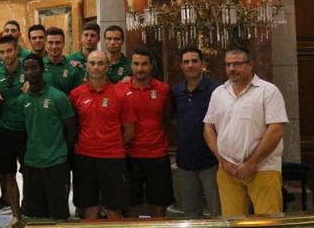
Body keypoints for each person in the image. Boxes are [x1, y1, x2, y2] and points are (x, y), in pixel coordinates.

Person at [204, 47, 288, 218]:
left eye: (237, 64)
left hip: (263, 168)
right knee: (233, 227)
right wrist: (222, 160)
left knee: (268, 225)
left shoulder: (268, 91)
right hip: (227, 170)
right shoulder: (218, 93)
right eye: (228, 65)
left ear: (250, 65)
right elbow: (208, 127)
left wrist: (251, 163)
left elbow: (276, 129)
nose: (231, 69)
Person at [69, 51, 135, 220]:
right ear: (87, 66)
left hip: (112, 158)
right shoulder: (76, 94)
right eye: (92, 63)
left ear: (107, 66)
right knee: (89, 208)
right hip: (84, 157)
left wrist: (111, 145)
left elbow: (129, 130)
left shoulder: (121, 94)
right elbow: (72, 126)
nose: (96, 67)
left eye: (100, 63)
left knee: (114, 209)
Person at [18, 54, 76, 220]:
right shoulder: (23, 99)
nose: (30, 72)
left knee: (58, 216)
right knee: (33, 217)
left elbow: (71, 131)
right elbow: (23, 132)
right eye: (26, 68)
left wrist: (60, 151)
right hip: (32, 164)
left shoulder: (58, 97)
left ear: (42, 69)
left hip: (56, 164)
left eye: (34, 67)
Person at [120, 49, 173, 218]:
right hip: (130, 155)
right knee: (130, 203)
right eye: (136, 64)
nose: (140, 68)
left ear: (151, 66)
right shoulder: (120, 89)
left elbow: (167, 118)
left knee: (159, 203)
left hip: (157, 154)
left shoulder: (164, 89)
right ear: (131, 66)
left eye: (144, 64)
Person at [171, 46, 221, 217]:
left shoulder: (217, 90)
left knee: (218, 211)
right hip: (185, 162)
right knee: (190, 213)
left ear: (202, 64)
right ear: (181, 66)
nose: (190, 65)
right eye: (186, 62)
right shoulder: (177, 91)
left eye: (194, 61)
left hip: (211, 161)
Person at [0, 35, 26, 228]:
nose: (6, 55)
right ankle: (16, 216)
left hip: (27, 130)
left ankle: (30, 214)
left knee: (30, 174)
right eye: (2, 52)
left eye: (9, 51)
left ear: (17, 50)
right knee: (8, 175)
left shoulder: (29, 69)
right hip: (5, 131)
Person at [43, 27, 83, 95]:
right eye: (50, 43)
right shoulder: (38, 66)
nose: (54, 46)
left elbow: (77, 97)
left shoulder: (73, 69)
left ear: (63, 43)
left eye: (58, 43)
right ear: (45, 44)